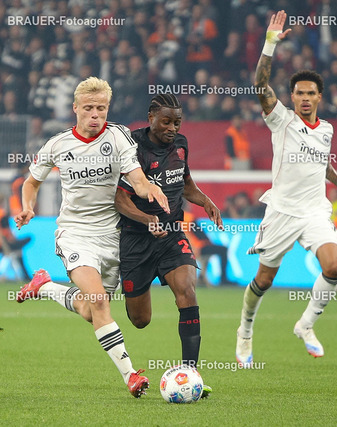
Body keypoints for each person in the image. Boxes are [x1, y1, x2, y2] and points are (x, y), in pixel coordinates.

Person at [13, 77, 169, 398]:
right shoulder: (57, 144)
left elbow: (137, 179)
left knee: (90, 309)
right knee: (99, 301)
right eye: (88, 108)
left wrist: (149, 189)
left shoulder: (119, 136)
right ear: (75, 108)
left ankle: (45, 286)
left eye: (101, 108)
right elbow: (31, 182)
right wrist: (27, 207)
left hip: (112, 237)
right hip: (75, 234)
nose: (95, 114)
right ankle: (131, 375)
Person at [235, 11, 337, 364]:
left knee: (333, 268)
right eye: (299, 93)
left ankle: (305, 324)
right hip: (283, 211)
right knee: (264, 280)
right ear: (292, 96)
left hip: (315, 211)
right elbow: (260, 85)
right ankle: (245, 331)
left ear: (319, 97)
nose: (304, 98)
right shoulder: (282, 120)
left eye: (310, 93)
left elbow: (321, 162)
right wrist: (270, 44)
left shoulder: (327, 129)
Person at [114, 94, 219, 397]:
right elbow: (120, 199)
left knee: (187, 291)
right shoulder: (134, 149)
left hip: (172, 233)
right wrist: (146, 219)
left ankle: (191, 373)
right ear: (151, 118)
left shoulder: (181, 145)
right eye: (166, 122)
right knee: (140, 320)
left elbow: (185, 184)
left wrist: (205, 201)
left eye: (177, 122)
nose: (172, 128)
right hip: (136, 239)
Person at [0, 192, 31, 281]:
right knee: (27, 239)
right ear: (2, 202)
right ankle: (25, 276)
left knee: (18, 249)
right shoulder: (1, 215)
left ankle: (25, 275)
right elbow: (8, 233)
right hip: (2, 245)